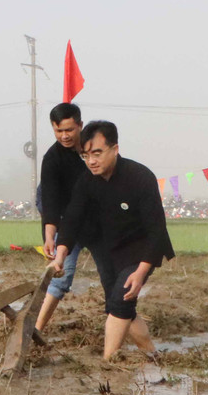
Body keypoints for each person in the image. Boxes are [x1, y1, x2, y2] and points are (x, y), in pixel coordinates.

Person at [53, 120, 174, 363]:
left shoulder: (140, 177)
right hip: (107, 249)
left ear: (115, 149)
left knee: (120, 300)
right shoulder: (86, 182)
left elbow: (157, 230)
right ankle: (153, 356)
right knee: (119, 307)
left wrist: (141, 273)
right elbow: (73, 219)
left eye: (97, 153)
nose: (92, 161)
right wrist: (60, 255)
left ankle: (108, 364)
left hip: (140, 251)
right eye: (86, 155)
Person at [34, 103, 88, 335]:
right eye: (59, 131)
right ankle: (34, 330)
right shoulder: (52, 158)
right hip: (62, 212)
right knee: (61, 271)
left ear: (80, 126)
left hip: (93, 211)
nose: (64, 136)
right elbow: (50, 202)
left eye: (69, 130)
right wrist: (49, 236)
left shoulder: (94, 147)